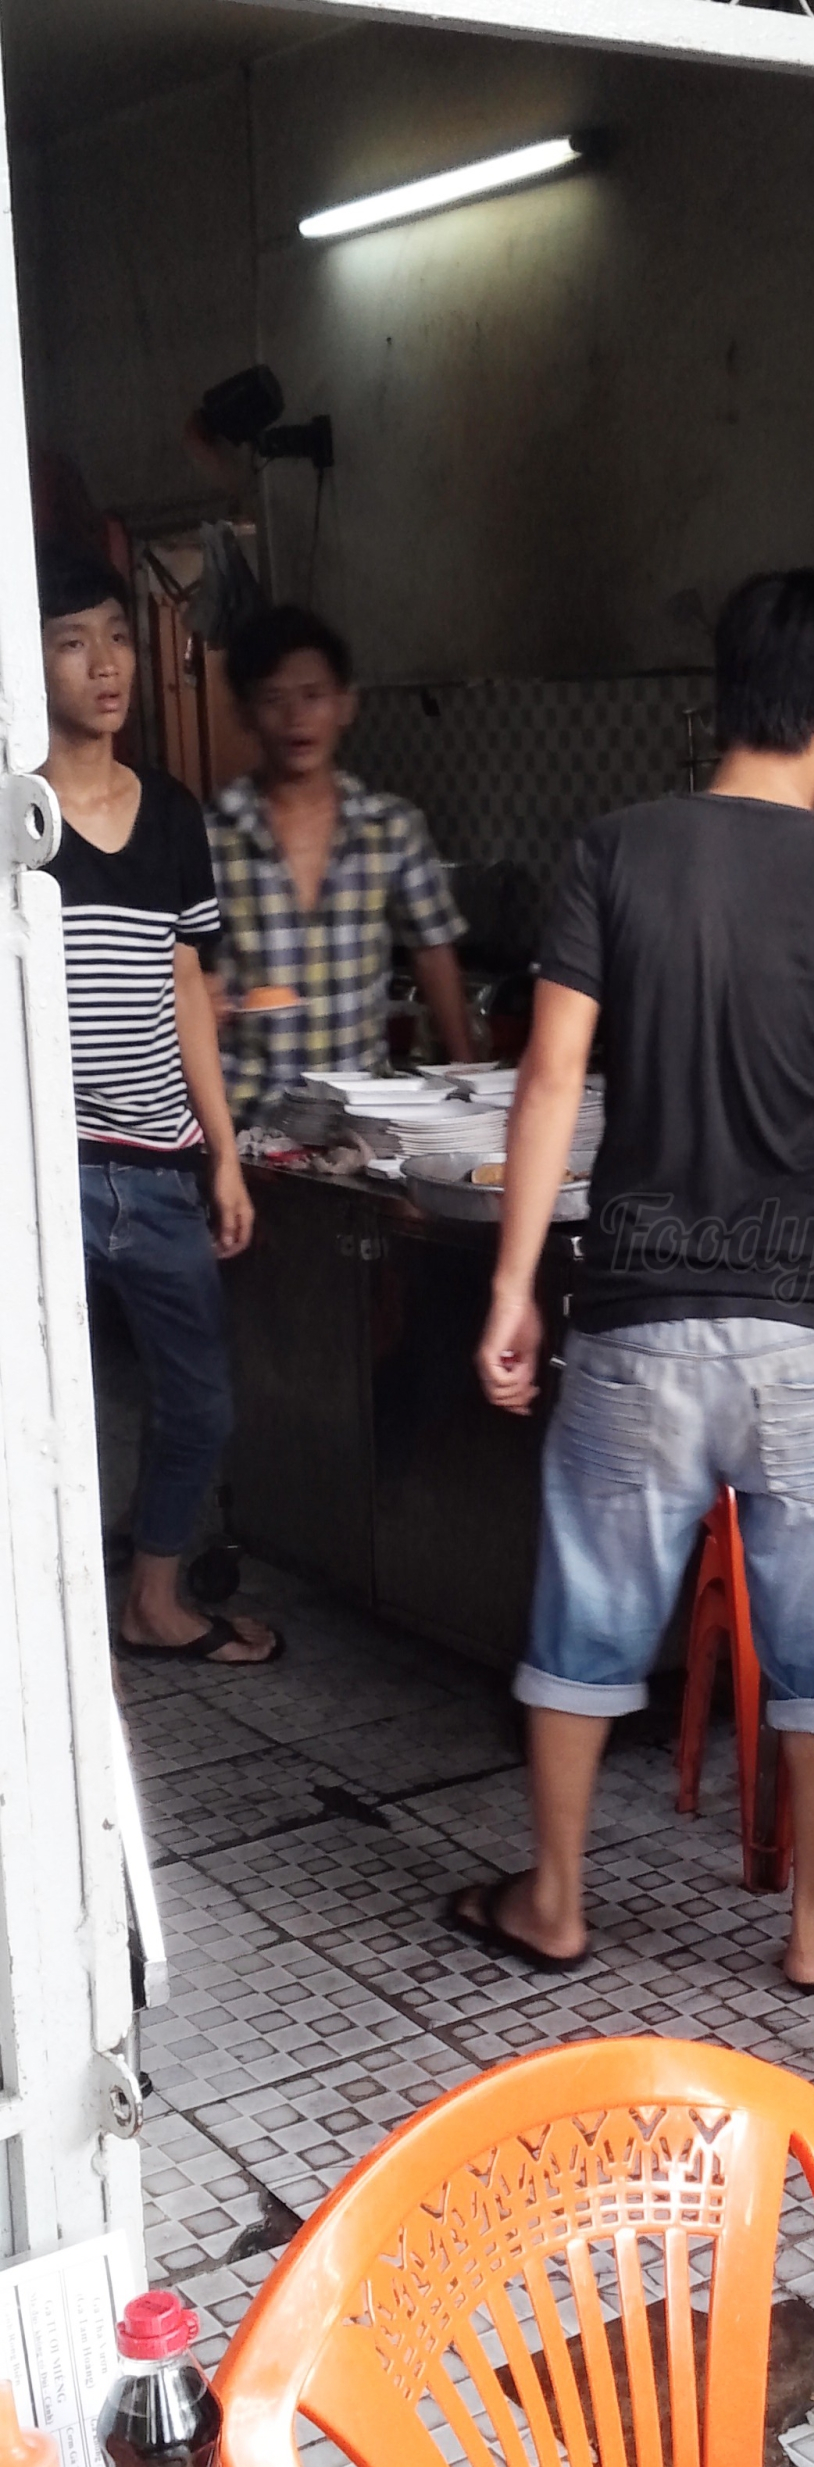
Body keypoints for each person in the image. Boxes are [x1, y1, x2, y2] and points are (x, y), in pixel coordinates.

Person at [464, 569, 814, 1994]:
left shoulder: (612, 852)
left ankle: (555, 1901)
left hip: (633, 1320)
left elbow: (549, 1081)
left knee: (586, 1615)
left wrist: (514, 1285)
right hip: (803, 1331)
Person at [36, 545, 281, 1667]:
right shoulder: (19, 822)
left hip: (158, 1165)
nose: (106, 665)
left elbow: (187, 986)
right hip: (49, 1167)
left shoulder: (173, 813)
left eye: (118, 637)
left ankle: (152, 1599)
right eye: (72, 642)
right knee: (47, 1412)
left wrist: (221, 1152)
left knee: (200, 1402)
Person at [208, 606, 472, 1118]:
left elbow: (434, 952)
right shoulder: (210, 835)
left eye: (313, 696)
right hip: (247, 1117)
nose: (296, 718)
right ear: (244, 714)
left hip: (363, 1118)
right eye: (273, 699)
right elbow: (184, 974)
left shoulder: (391, 828)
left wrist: (468, 1076)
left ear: (346, 704)